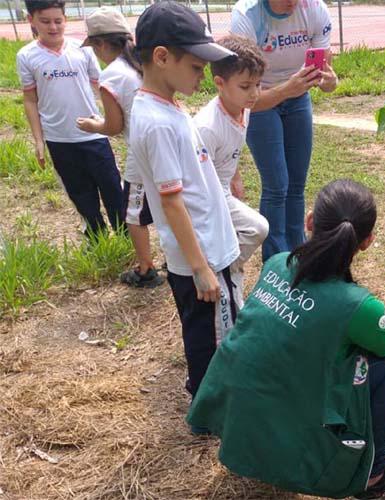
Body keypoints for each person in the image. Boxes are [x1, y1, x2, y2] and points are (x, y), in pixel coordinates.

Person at [187, 180, 385, 499]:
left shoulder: (278, 262)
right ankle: (372, 477)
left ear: (310, 220)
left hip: (236, 424)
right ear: (368, 241)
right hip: (284, 439)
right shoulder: (356, 306)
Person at [129, 2, 240, 397]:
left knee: (217, 327)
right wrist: (200, 267)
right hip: (201, 254)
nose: (204, 75)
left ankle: (212, 390)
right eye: (196, 67)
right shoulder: (156, 122)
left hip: (210, 246)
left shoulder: (167, 107)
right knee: (206, 335)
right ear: (161, 57)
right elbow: (172, 202)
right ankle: (207, 402)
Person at [230, 0, 338, 260]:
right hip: (259, 97)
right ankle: (276, 261)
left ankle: (297, 253)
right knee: (277, 185)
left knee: (296, 183)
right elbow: (245, 95)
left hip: (298, 97)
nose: (294, 3)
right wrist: (285, 90)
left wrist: (329, 82)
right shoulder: (247, 15)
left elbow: (325, 77)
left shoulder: (314, 9)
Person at [17, 0, 124, 238]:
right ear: (31, 20)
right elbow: (30, 99)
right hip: (59, 139)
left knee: (111, 186)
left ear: (65, 19)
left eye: (58, 21)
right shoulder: (26, 56)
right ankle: (97, 237)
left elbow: (103, 86)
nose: (53, 27)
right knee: (80, 192)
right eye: (45, 21)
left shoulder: (82, 49)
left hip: (94, 133)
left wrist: (114, 120)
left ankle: (125, 233)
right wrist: (38, 139)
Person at [75, 6, 164, 288]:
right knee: (171, 204)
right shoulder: (142, 62)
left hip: (142, 152)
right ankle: (177, 259)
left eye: (94, 46)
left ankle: (145, 268)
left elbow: (113, 126)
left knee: (134, 214)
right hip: (167, 142)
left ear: (101, 43)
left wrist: (93, 125)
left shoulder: (112, 74)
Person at [193, 34, 269, 306]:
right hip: (208, 195)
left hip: (223, 188)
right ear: (219, 83)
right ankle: (226, 269)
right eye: (246, 86)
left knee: (248, 230)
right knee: (258, 228)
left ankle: (227, 268)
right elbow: (198, 180)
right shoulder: (207, 127)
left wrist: (235, 175)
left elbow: (233, 146)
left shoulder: (242, 108)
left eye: (258, 85)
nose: (255, 94)